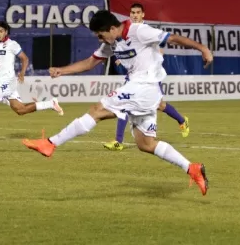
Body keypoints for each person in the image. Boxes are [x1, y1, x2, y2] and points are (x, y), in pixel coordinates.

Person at [22, 10, 213, 196]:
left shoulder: (139, 31)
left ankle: (50, 143)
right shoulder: (111, 42)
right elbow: (90, 62)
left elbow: (172, 38)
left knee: (98, 109)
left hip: (144, 86)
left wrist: (203, 49)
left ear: (113, 28)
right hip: (143, 92)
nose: (100, 40)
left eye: (101, 35)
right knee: (145, 144)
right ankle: (192, 168)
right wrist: (62, 71)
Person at [104, 3, 189, 151]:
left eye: (137, 12)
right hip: (134, 75)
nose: (135, 15)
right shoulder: (127, 31)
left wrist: (157, 56)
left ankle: (182, 120)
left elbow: (161, 45)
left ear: (143, 14)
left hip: (150, 76)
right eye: (132, 12)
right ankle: (118, 141)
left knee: (159, 105)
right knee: (126, 105)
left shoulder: (145, 30)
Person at [0, 21, 64, 144]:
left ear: (6, 32)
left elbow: (25, 58)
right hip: (0, 81)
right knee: (20, 110)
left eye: (1, 31)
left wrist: (22, 72)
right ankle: (50, 104)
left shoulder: (12, 44)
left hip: (8, 81)